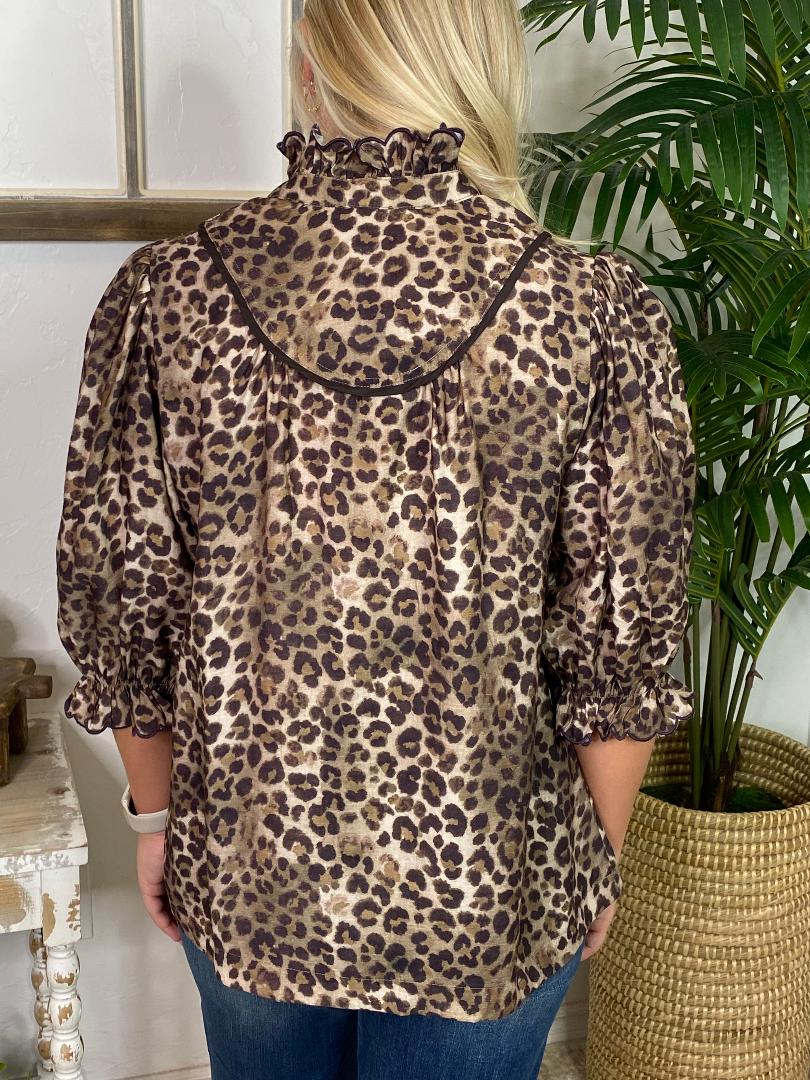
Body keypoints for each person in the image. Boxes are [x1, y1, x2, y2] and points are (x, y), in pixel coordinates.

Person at [54, 1, 696, 1077]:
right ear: (482, 64)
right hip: (492, 882)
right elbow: (619, 637)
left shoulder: (166, 299)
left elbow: (127, 605)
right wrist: (597, 854)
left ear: (311, 66)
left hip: (253, 873)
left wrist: (154, 818)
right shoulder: (588, 310)